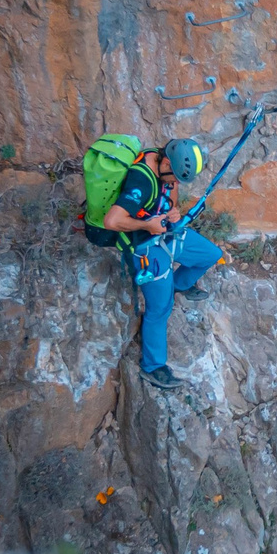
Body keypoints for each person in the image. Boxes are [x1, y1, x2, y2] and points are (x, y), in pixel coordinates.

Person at [86, 137, 219, 391]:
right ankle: (152, 366)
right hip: (145, 245)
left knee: (210, 254)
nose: (177, 182)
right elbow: (112, 221)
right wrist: (148, 225)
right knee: (160, 309)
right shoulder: (141, 180)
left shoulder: (161, 162)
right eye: (176, 177)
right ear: (167, 161)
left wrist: (173, 210)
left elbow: (170, 193)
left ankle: (178, 285)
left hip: (165, 231)